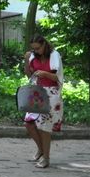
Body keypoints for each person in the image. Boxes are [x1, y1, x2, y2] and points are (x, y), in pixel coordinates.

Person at [23, 34, 64, 168]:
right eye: (33, 49)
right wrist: (26, 60)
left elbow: (57, 77)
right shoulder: (33, 56)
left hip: (51, 93)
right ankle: (41, 150)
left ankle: (46, 158)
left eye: (38, 48)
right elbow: (29, 76)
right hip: (37, 93)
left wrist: (45, 74)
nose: (36, 51)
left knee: (44, 127)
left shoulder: (54, 55)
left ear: (44, 45)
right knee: (29, 123)